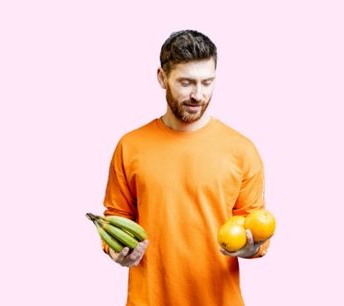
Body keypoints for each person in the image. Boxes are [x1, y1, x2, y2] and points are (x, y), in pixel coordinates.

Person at [101, 29, 270, 306]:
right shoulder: (130, 146)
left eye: (207, 82)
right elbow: (116, 215)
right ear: (161, 78)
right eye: (186, 82)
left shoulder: (242, 150)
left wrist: (252, 248)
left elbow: (255, 224)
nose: (198, 94)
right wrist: (115, 251)